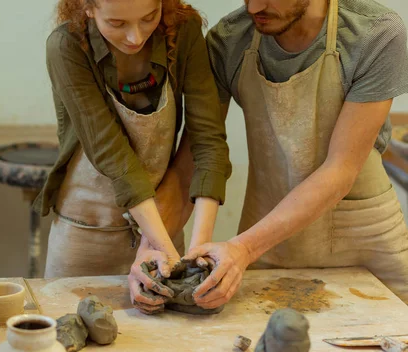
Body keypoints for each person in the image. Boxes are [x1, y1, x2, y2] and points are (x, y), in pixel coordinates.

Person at [174, 0, 408, 309]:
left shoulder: (374, 33)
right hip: (270, 237)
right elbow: (197, 156)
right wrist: (168, 251)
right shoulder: (229, 40)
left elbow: (340, 170)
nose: (254, 6)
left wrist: (242, 248)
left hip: (363, 236)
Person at [34, 0, 231, 281]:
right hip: (87, 229)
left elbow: (208, 139)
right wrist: (166, 250)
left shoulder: (183, 30)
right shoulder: (67, 46)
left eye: (149, 17)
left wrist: (196, 253)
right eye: (117, 24)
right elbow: (111, 153)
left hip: (163, 223)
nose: (135, 37)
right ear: (87, 8)